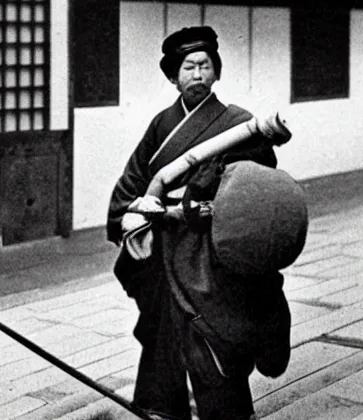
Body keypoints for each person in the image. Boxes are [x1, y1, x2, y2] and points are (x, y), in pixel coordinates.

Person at [107, 26, 299, 420]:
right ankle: (163, 411)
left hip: (214, 257)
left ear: (217, 73)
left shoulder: (240, 123)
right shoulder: (162, 125)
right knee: (165, 347)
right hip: (166, 255)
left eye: (205, 65)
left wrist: (213, 193)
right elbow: (129, 189)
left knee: (216, 341)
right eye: (188, 67)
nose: (197, 74)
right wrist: (142, 210)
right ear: (173, 77)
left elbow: (259, 189)